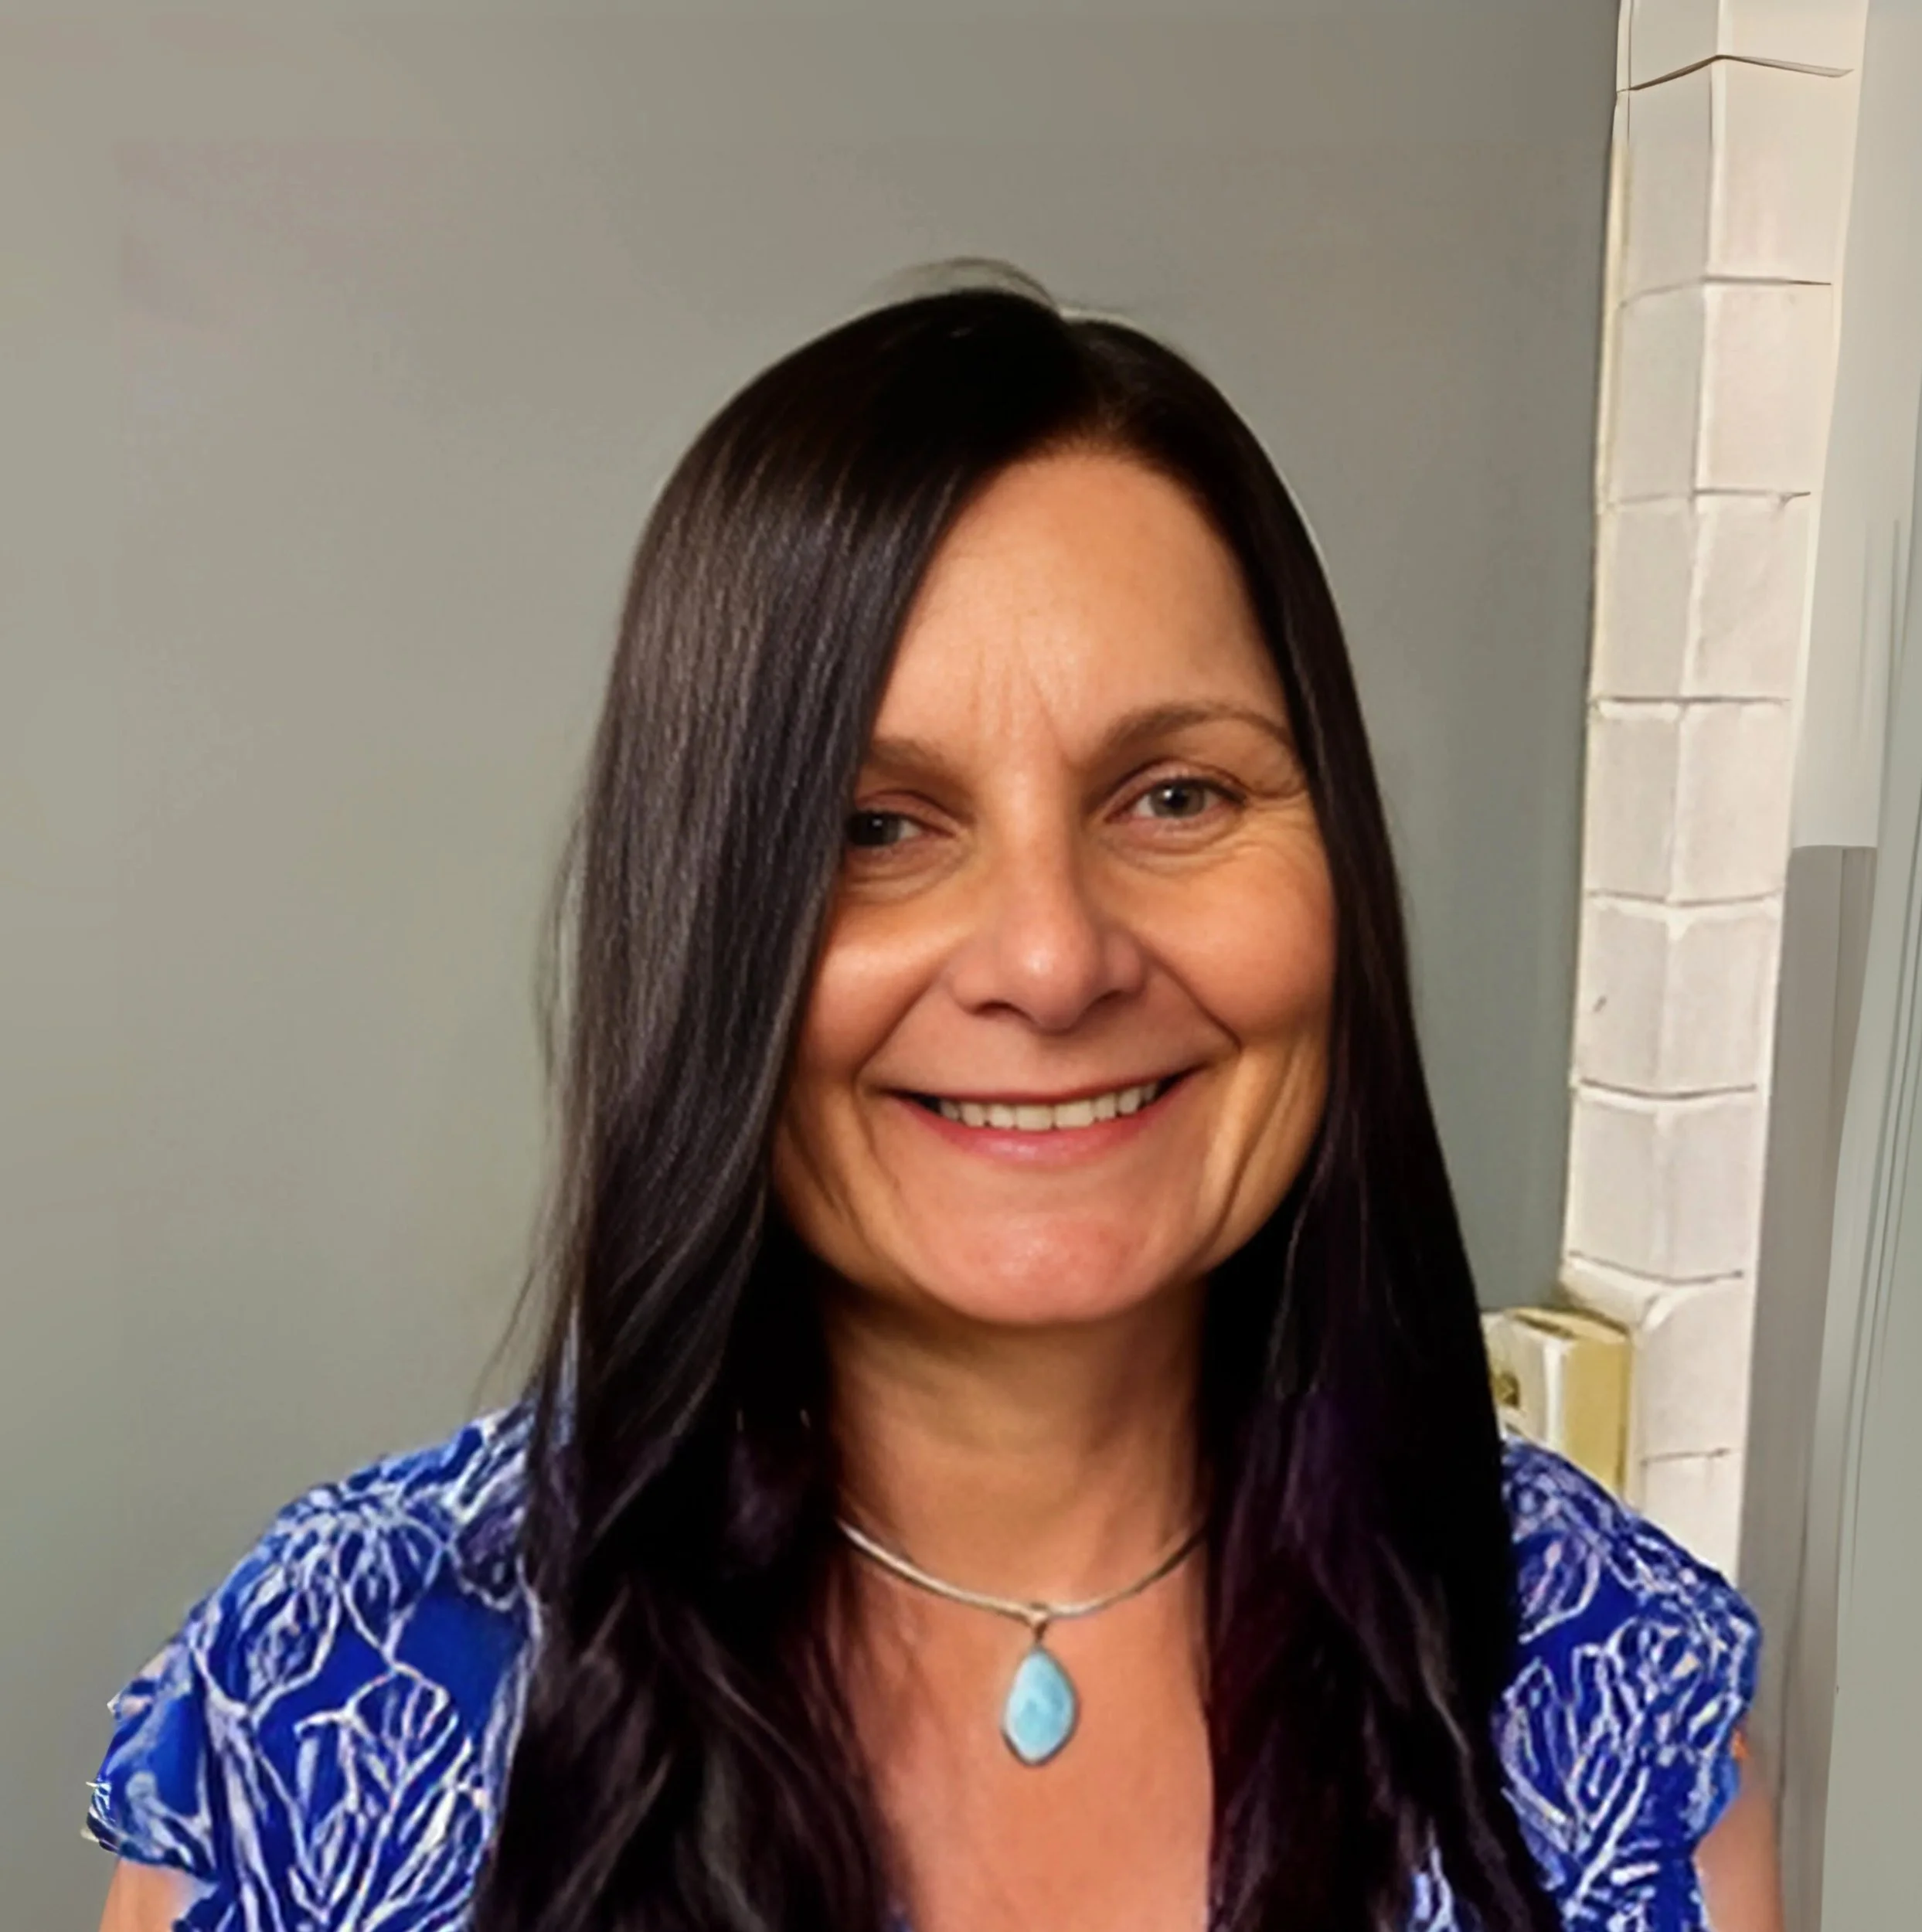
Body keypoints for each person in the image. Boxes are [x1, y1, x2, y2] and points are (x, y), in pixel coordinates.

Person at [91, 278, 1781, 1932]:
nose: (1050, 959)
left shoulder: (1603, 1695)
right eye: (873, 828)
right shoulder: (326, 1696)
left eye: (1174, 793)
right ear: (705, 924)